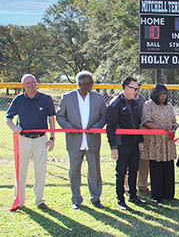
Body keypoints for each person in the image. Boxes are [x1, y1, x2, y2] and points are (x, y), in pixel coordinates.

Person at [4, 74, 56, 211]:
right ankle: (19, 201)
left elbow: (51, 119)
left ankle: (39, 200)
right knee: (20, 171)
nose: (30, 85)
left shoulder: (46, 99)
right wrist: (13, 128)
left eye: (32, 82)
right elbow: (7, 117)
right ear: (22, 85)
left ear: (36, 83)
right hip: (23, 139)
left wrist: (52, 138)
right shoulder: (19, 99)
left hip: (40, 139)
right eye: (27, 83)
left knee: (40, 170)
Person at [56, 71, 106, 210]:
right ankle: (76, 199)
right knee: (74, 171)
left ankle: (95, 198)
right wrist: (69, 127)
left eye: (92, 82)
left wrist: (95, 127)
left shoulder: (98, 98)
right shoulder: (67, 97)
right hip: (74, 140)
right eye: (87, 83)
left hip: (92, 140)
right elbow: (60, 116)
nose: (91, 85)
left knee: (95, 171)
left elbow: (104, 117)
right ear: (79, 84)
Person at [106, 76, 146, 211]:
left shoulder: (135, 103)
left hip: (134, 144)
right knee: (121, 172)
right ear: (126, 88)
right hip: (122, 144)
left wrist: (140, 140)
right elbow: (110, 127)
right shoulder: (115, 104)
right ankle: (120, 200)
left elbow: (138, 123)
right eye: (135, 88)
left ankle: (133, 196)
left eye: (138, 88)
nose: (137, 91)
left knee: (134, 170)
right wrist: (113, 147)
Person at [140, 83, 179, 203]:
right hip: (155, 142)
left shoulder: (169, 106)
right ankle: (157, 195)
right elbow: (145, 121)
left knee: (168, 167)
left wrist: (172, 130)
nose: (163, 96)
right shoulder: (148, 105)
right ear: (155, 94)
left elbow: (174, 122)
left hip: (167, 142)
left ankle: (169, 194)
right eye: (161, 94)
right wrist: (161, 129)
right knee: (156, 168)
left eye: (165, 94)